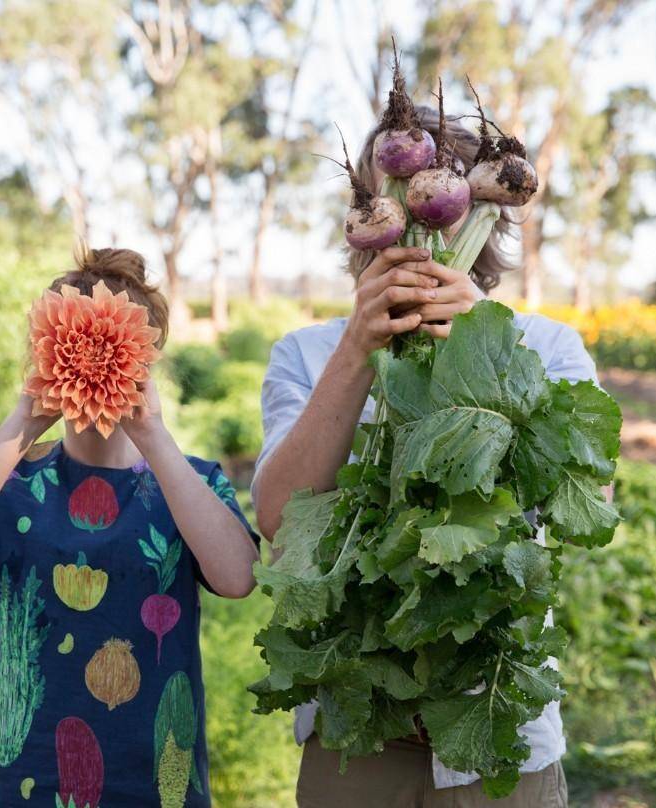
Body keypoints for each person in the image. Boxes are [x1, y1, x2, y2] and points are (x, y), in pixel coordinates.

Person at [252, 109, 597, 808]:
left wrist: (486, 345)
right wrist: (356, 351)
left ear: (480, 214)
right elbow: (281, 523)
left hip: (498, 732)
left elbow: (588, 499)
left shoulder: (547, 347)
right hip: (358, 740)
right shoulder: (310, 354)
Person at [0, 246, 259, 808]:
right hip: (31, 784)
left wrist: (154, 435)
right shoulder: (12, 483)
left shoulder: (191, 485)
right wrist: (24, 420)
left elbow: (239, 577)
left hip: (157, 786)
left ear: (148, 360)